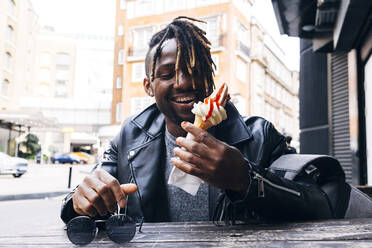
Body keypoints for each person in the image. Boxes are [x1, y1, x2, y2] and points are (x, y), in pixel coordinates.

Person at [61, 17, 345, 225]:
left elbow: (322, 204)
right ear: (148, 86)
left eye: (194, 69)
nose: (183, 82)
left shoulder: (259, 135)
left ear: (210, 75)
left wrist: (246, 179)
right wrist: (79, 201)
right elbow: (84, 194)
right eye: (167, 73)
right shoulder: (129, 136)